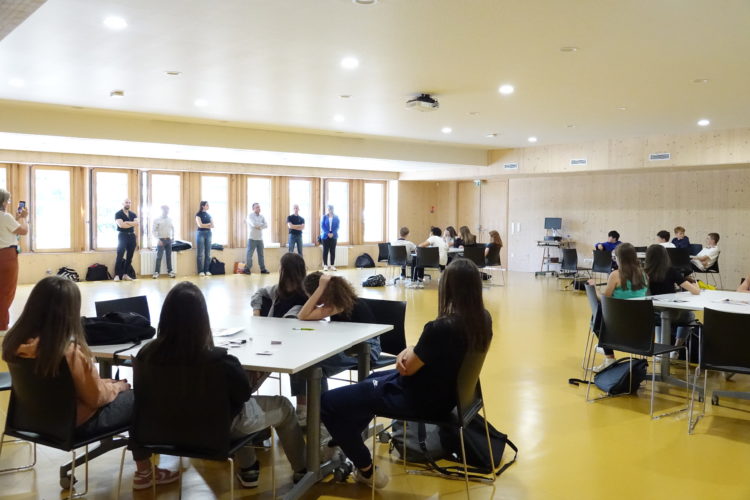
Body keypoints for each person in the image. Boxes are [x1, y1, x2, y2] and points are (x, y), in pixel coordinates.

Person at [320, 259, 493, 489]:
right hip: (449, 398)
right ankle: (347, 439)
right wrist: (412, 350)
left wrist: (408, 352)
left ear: (448, 288)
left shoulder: (441, 328)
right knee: (369, 381)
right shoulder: (483, 320)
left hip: (417, 400)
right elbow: (422, 356)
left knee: (327, 403)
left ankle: (366, 469)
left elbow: (406, 367)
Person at [1, 276, 179, 490]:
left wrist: (107, 384)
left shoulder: (14, 344)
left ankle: (145, 465)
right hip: (77, 422)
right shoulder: (68, 352)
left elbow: (73, 388)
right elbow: (96, 398)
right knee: (142, 397)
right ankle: (145, 472)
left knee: (122, 393)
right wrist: (117, 386)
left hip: (38, 420)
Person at [136, 282, 307, 488]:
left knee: (227, 405)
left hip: (166, 431)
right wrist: (251, 378)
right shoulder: (219, 360)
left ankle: (250, 468)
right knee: (282, 406)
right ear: (202, 318)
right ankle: (303, 469)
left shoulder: (145, 355)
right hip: (216, 430)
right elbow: (242, 395)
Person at [293, 272, 380, 423]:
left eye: (311, 296)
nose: (312, 300)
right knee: (303, 361)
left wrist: (320, 288)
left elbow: (303, 315)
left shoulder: (339, 304)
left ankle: (321, 414)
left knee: (313, 365)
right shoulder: (340, 300)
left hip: (367, 348)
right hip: (351, 345)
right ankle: (309, 410)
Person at [588, 243, 647, 372]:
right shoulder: (643, 274)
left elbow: (605, 299)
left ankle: (609, 356)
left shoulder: (615, 274)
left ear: (618, 258)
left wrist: (594, 288)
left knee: (597, 315)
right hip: (640, 324)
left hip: (618, 323)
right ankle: (604, 345)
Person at [644, 244, 700, 357]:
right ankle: (676, 348)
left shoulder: (644, 272)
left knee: (659, 317)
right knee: (689, 315)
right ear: (665, 256)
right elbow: (695, 291)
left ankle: (660, 347)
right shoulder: (671, 271)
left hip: (650, 314)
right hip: (671, 313)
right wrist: (696, 284)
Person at [0, 189, 28, 331]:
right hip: (6, 256)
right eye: (8, 200)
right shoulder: (5, 216)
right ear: (3, 202)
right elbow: (23, 231)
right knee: (6, 292)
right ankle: (2, 326)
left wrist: (15, 219)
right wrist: (24, 218)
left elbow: (5, 230)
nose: (8, 203)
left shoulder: (7, 218)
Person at [251, 253, 308, 318]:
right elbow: (260, 292)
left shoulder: (304, 297)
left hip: (287, 324)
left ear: (285, 271)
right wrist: (256, 312)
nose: (279, 270)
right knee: (263, 299)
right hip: (272, 323)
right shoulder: (278, 289)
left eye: (281, 267)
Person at [114, 198, 139, 282]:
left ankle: (126, 274)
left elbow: (137, 223)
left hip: (132, 236)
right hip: (122, 235)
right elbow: (121, 225)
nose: (128, 204)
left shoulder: (133, 214)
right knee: (120, 255)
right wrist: (131, 223)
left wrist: (126, 222)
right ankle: (117, 275)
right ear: (123, 203)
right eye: (126, 202)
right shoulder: (118, 213)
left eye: (129, 202)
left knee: (130, 257)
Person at [152, 205, 175, 279]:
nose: (166, 211)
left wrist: (173, 238)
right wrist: (158, 239)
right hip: (161, 240)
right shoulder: (157, 219)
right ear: (161, 210)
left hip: (169, 240)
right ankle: (156, 272)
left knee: (169, 257)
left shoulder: (170, 219)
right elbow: (154, 231)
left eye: (167, 210)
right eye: (165, 210)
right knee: (159, 257)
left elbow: (173, 229)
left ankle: (170, 272)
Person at [245, 202, 269, 274]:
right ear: (253, 209)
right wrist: (261, 225)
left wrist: (259, 226)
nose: (259, 208)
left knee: (261, 255)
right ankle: (247, 269)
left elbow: (266, 225)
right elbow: (253, 224)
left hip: (260, 239)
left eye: (259, 207)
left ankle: (263, 269)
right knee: (249, 255)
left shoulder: (262, 216)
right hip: (252, 238)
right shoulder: (250, 216)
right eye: (257, 207)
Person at [195, 201, 213, 277]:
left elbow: (212, 225)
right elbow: (200, 225)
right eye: (207, 205)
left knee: (208, 254)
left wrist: (205, 225)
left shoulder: (209, 215)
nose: (208, 206)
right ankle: (200, 271)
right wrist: (208, 224)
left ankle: (207, 270)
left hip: (209, 233)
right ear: (202, 206)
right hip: (200, 233)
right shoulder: (198, 214)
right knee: (200, 254)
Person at [320, 204, 339, 271]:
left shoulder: (336, 217)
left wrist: (332, 233)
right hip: (325, 236)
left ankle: (332, 265)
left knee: (332, 251)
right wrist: (327, 233)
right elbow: (322, 226)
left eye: (331, 209)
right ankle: (325, 265)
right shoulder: (324, 217)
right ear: (327, 210)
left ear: (333, 209)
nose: (330, 210)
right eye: (329, 209)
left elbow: (337, 226)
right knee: (325, 251)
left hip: (334, 236)